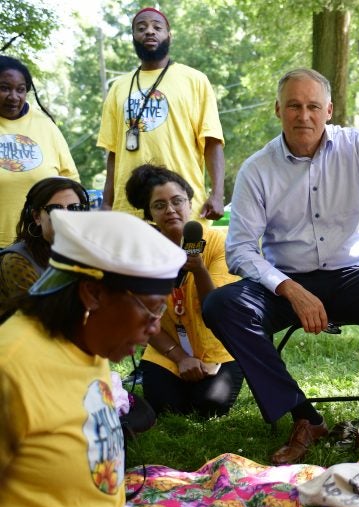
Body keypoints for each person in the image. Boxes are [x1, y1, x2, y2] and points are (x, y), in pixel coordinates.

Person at [202, 68, 359, 476]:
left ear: (329, 110)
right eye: (294, 105)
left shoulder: (357, 147)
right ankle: (305, 418)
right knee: (223, 304)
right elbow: (241, 249)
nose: (304, 115)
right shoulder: (257, 169)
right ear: (278, 109)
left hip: (354, 276)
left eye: (313, 106)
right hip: (288, 283)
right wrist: (289, 289)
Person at [0, 209, 186, 507]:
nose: (155, 328)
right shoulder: (10, 370)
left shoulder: (90, 340)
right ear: (92, 294)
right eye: (150, 309)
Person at [124, 164, 244, 417]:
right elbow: (144, 318)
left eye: (177, 201)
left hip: (219, 349)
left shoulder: (219, 243)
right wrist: (180, 358)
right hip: (167, 349)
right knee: (165, 406)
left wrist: (199, 270)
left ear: (190, 204)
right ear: (149, 215)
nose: (170, 210)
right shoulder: (141, 256)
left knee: (209, 405)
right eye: (159, 205)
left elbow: (218, 311)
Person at [97, 7, 225, 222]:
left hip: (183, 206)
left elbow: (213, 141)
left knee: (191, 256)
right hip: (129, 209)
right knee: (133, 257)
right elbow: (113, 152)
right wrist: (107, 203)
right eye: (141, 28)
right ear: (133, 36)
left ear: (169, 35)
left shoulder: (195, 80)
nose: (149, 31)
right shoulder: (118, 87)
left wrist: (217, 194)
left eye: (157, 27)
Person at [0, 55, 80, 248]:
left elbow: (71, 181)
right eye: (4, 88)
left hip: (42, 244)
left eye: (20, 90)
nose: (13, 96)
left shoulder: (45, 125)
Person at [0, 177, 89, 320]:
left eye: (74, 208)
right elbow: (40, 319)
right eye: (55, 209)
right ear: (36, 217)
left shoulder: (85, 253)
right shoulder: (16, 260)